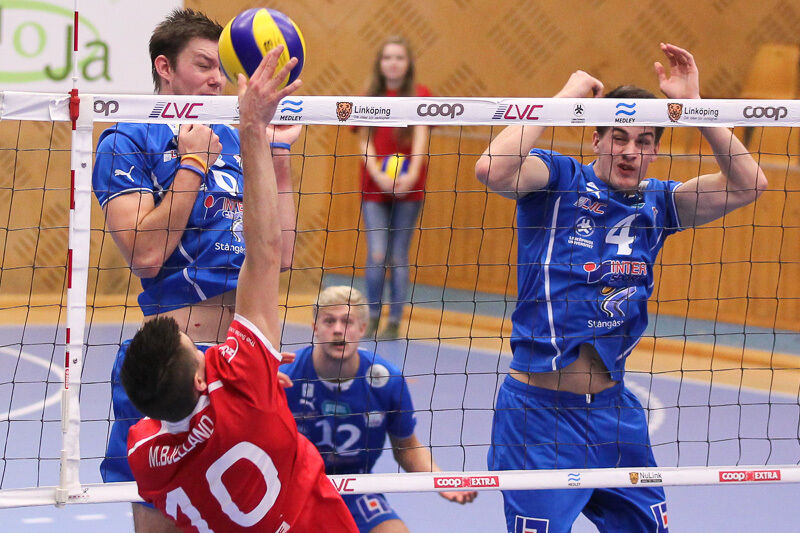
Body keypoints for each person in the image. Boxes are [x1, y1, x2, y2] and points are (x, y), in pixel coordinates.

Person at [474, 43, 767, 533]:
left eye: (645, 141)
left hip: (614, 416)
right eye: (619, 137)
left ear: (655, 150)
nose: (631, 151)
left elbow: (749, 185)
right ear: (596, 139)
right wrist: (564, 98)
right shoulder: (558, 179)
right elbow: (491, 169)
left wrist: (695, 107)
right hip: (538, 418)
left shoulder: (660, 203)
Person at [122, 46, 358, 532]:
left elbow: (165, 415)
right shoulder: (245, 381)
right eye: (203, 65)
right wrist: (248, 132)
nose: (216, 78)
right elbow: (265, 254)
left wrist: (254, 375)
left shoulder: (144, 450)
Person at [91, 9, 299, 532]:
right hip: (174, 365)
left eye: (221, 70)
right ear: (164, 67)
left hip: (241, 362)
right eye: (203, 65)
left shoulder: (236, 137)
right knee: (163, 520)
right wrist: (192, 164)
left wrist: (275, 154)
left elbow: (281, 254)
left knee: (249, 515)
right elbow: (144, 253)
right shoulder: (127, 139)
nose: (216, 80)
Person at [280, 285, 477, 532]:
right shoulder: (285, 376)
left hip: (355, 488)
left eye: (347, 321)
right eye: (329, 321)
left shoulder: (387, 380)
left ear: (362, 328)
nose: (338, 329)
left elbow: (407, 448)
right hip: (293, 487)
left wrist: (440, 479)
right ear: (314, 328)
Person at [358, 37, 431, 339]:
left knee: (398, 256)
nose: (393, 63)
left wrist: (411, 175)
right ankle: (373, 316)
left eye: (399, 57)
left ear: (408, 63)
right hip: (374, 188)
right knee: (377, 254)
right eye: (387, 57)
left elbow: (422, 136)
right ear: (380, 62)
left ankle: (395, 321)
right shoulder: (369, 96)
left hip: (408, 189)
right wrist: (378, 175)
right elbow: (364, 140)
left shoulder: (420, 95)